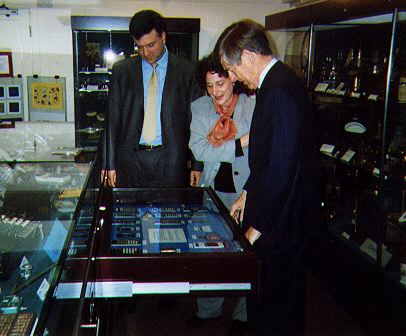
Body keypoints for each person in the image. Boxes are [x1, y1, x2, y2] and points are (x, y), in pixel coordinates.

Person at [215, 19, 315, 336]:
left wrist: (256, 229)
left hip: (280, 227)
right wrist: (247, 192)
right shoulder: (276, 85)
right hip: (278, 218)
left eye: (231, 69)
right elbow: (269, 159)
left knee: (276, 312)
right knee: (270, 306)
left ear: (247, 56)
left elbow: (282, 170)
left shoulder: (279, 92)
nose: (232, 78)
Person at [188, 53, 254, 335]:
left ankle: (242, 314)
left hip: (245, 190)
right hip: (213, 188)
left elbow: (262, 144)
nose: (215, 93)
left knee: (244, 253)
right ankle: (208, 310)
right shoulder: (200, 107)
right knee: (209, 252)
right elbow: (199, 150)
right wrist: (240, 144)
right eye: (209, 86)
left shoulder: (251, 106)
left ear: (233, 79)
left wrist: (223, 148)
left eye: (220, 85)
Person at [101, 9, 201, 187]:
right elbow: (112, 120)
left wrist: (197, 164)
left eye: (150, 45)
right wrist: (108, 163)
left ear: (163, 36)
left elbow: (195, 120)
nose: (145, 52)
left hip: (171, 162)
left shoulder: (187, 71)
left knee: (170, 214)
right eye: (139, 47)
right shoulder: (122, 71)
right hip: (130, 161)